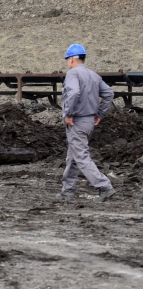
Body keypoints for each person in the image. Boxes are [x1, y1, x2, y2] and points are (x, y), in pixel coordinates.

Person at [60, 43, 116, 201]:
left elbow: (74, 92)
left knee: (81, 157)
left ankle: (105, 186)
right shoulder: (93, 75)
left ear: (71, 59)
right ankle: (67, 191)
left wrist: (69, 113)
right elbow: (109, 94)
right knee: (73, 157)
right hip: (89, 121)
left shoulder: (73, 74)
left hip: (76, 122)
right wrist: (99, 114)